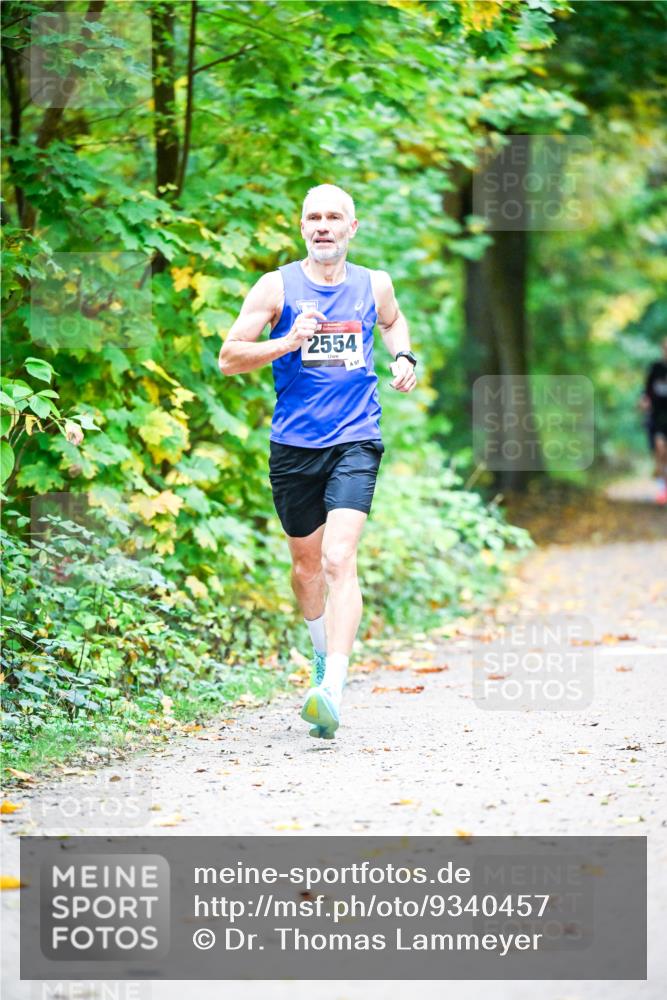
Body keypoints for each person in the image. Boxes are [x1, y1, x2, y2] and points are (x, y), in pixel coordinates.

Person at [218, 183, 417, 738]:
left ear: (353, 227)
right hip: (294, 446)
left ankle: (332, 686)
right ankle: (320, 655)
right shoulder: (275, 287)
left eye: (335, 217)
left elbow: (394, 321)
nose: (323, 225)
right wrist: (287, 341)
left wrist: (404, 355)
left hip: (356, 438)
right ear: (301, 227)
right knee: (306, 569)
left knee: (337, 558)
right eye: (314, 217)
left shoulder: (373, 284)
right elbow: (229, 357)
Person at [639, 337, 667, 505]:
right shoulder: (655, 368)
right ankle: (662, 487)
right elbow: (646, 392)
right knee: (660, 448)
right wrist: (644, 401)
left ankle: (663, 485)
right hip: (657, 416)